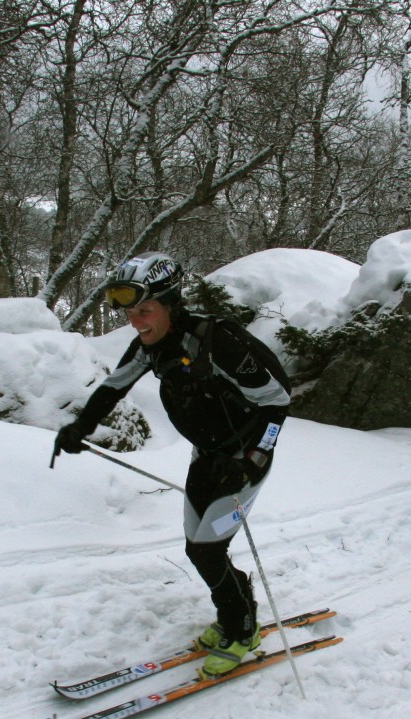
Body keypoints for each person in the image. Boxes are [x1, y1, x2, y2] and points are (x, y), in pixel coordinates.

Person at [54, 252, 291, 678]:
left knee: (207, 550)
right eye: (130, 312)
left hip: (243, 461)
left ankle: (241, 629)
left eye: (145, 310)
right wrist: (81, 426)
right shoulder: (152, 345)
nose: (135, 321)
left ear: (170, 304)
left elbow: (277, 401)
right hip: (207, 456)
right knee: (199, 550)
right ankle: (236, 613)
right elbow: (114, 386)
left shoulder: (216, 342)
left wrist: (255, 460)